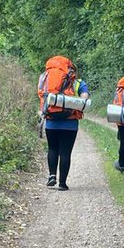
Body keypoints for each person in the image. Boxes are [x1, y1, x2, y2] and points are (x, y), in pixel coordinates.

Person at [37, 55, 90, 191]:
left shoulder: (46, 78)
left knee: (52, 148)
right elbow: (84, 101)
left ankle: (52, 175)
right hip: (70, 123)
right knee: (65, 153)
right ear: (72, 70)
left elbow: (42, 96)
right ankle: (62, 184)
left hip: (51, 121)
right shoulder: (78, 83)